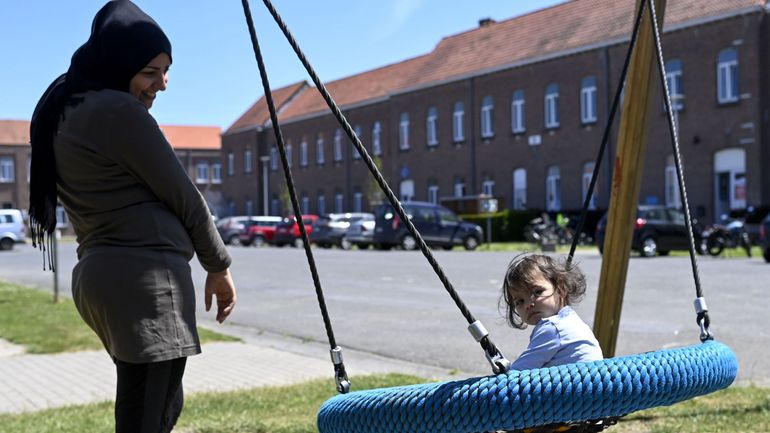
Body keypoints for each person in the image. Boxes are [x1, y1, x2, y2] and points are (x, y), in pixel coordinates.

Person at [28, 2, 236, 432]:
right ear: (120, 64)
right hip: (147, 283)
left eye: (166, 70)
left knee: (146, 409)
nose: (161, 84)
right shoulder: (118, 113)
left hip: (102, 279)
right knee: (149, 417)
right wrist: (218, 265)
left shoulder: (65, 108)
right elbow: (186, 196)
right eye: (149, 72)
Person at [499, 254, 602, 370]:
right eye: (519, 301)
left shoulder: (553, 328)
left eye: (537, 292)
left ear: (561, 289)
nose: (528, 305)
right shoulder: (571, 320)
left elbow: (520, 371)